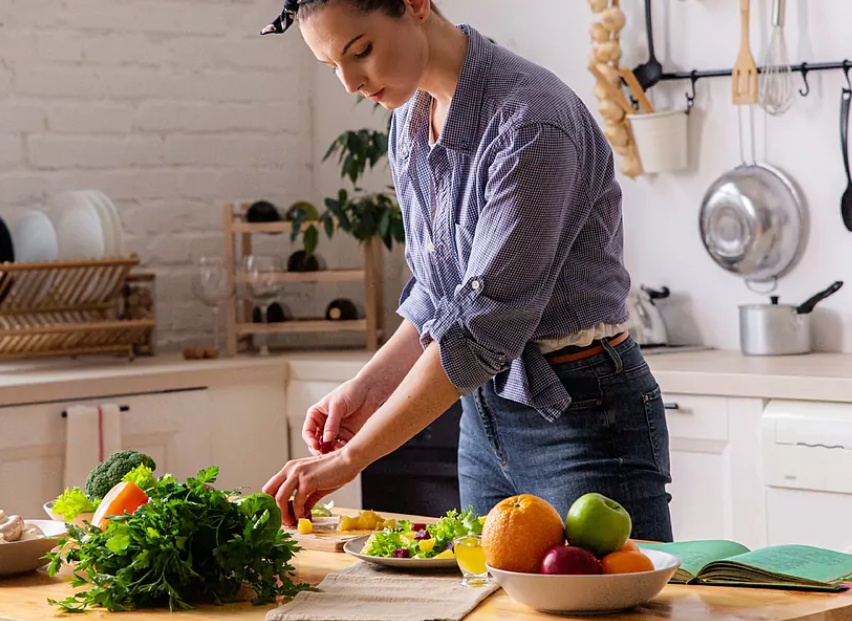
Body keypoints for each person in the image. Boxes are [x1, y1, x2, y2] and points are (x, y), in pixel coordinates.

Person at [259, 0, 674, 542]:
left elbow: (482, 326)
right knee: (490, 619)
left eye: (360, 52)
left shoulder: (532, 122)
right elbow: (440, 296)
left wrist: (351, 459)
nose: (351, 83)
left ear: (415, 5)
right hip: (483, 414)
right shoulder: (411, 123)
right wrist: (366, 388)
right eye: (331, 66)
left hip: (582, 414)